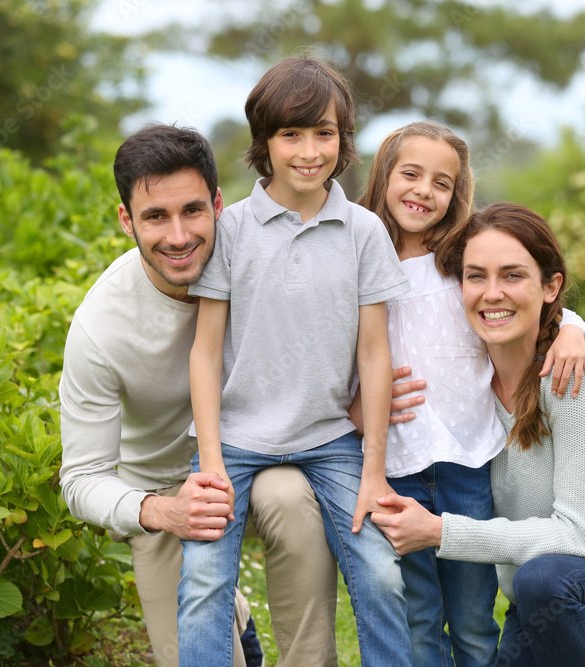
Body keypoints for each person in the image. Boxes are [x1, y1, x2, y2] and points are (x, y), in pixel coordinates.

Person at [58, 123, 339, 666]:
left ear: (218, 203)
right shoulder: (100, 327)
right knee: (188, 656)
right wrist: (162, 512)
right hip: (164, 491)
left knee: (290, 500)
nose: (179, 236)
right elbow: (81, 477)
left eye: (192, 210)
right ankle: (234, 621)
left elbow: (380, 274)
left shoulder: (272, 256)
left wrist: (558, 322)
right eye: (155, 217)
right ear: (126, 221)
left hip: (262, 459)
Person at [372, 202, 585, 667]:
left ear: (550, 286)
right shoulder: (464, 377)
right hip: (538, 601)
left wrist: (438, 531)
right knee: (538, 587)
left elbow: (577, 538)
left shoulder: (573, 379)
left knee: (543, 578)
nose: (492, 293)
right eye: (476, 277)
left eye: (512, 276)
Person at [178, 56, 412, 666]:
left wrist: (375, 471)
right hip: (233, 440)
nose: (309, 151)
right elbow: (204, 353)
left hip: (332, 439)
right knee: (204, 583)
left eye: (324, 133)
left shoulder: (365, 233)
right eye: (291, 134)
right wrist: (209, 464)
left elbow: (374, 353)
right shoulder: (230, 230)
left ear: (343, 139)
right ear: (264, 144)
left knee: (383, 574)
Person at [353, 120, 585, 666]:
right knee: (418, 621)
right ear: (383, 175)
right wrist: (357, 408)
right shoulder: (360, 260)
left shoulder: (461, 259)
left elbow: (531, 301)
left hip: (469, 466)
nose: (424, 191)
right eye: (410, 174)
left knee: (470, 621)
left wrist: (577, 329)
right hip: (396, 466)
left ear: (457, 193)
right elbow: (339, 363)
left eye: (442, 182)